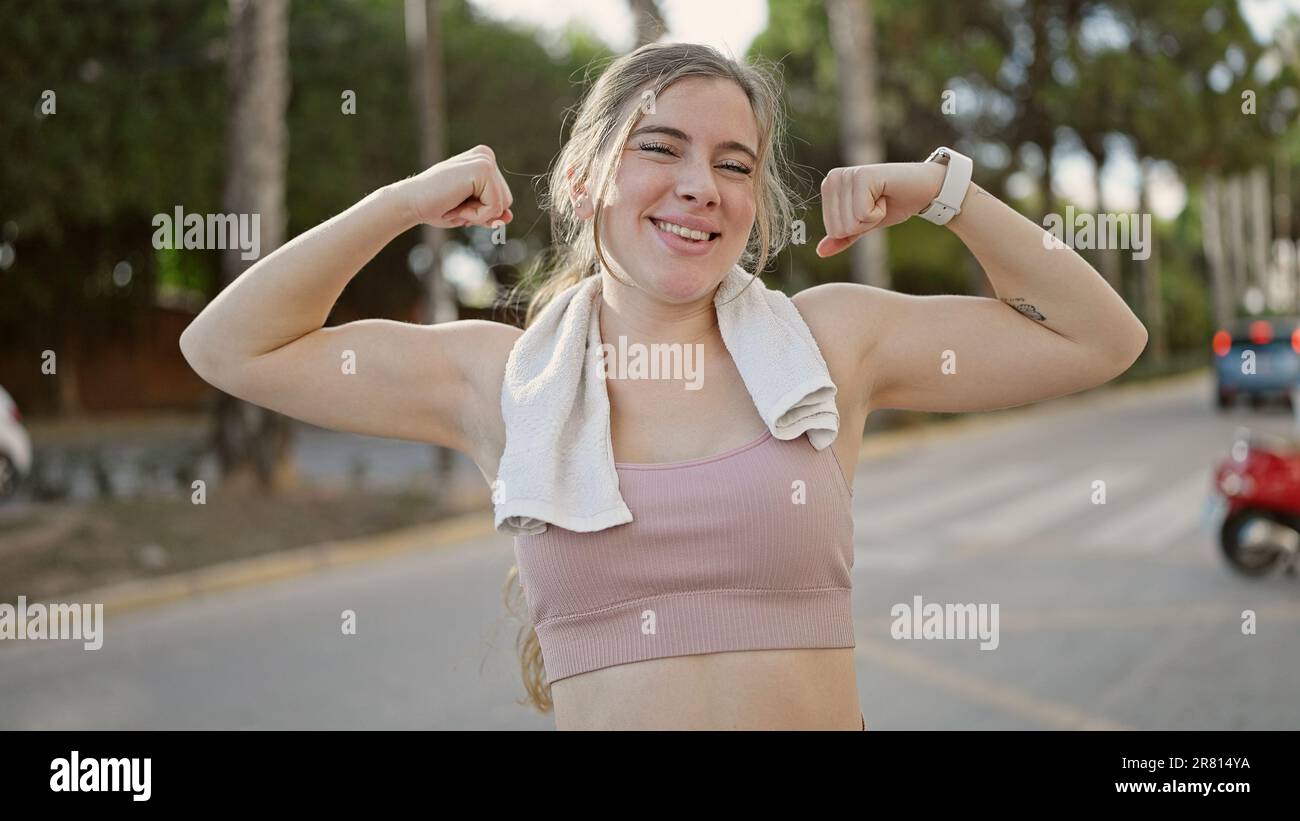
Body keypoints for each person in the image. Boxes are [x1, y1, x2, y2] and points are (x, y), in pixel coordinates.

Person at [179, 42, 1148, 731]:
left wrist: (947, 194)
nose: (700, 184)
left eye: (734, 164)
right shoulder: (501, 377)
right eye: (660, 146)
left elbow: (1098, 337)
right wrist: (399, 203)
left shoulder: (827, 343)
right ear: (580, 177)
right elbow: (230, 346)